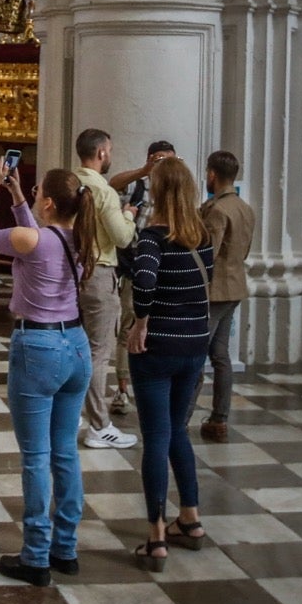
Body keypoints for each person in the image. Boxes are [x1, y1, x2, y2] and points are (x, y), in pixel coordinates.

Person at [0, 162, 97, 586]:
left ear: (48, 203)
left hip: (39, 349)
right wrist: (20, 198)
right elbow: (39, 241)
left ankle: (36, 556)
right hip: (77, 346)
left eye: (38, 192)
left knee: (36, 457)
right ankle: (66, 548)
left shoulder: (34, 239)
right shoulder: (80, 235)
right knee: (65, 452)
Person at [127, 157, 214, 571]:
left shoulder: (152, 237)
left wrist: (141, 321)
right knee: (178, 430)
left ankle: (157, 533)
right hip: (195, 346)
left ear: (158, 193)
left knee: (156, 436)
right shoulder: (204, 237)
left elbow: (144, 282)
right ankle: (191, 520)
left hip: (157, 346)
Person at [73, 128, 138, 449]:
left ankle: (73, 414)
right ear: (101, 153)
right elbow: (123, 238)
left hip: (70, 273)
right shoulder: (103, 191)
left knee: (74, 348)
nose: (110, 156)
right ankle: (99, 426)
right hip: (99, 273)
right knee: (98, 354)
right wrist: (128, 216)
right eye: (109, 151)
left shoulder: (69, 183)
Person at [109, 140, 177, 414]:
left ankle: (160, 384)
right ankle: (122, 388)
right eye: (160, 160)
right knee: (129, 323)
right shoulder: (137, 185)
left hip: (167, 264)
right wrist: (144, 170)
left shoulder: (175, 189)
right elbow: (112, 185)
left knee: (162, 326)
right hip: (136, 264)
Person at [197, 149, 255, 443]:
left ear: (211, 175)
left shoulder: (218, 210)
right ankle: (219, 418)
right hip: (235, 286)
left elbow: (207, 253)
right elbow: (243, 251)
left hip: (214, 291)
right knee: (220, 355)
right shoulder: (245, 208)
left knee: (196, 353)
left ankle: (180, 416)